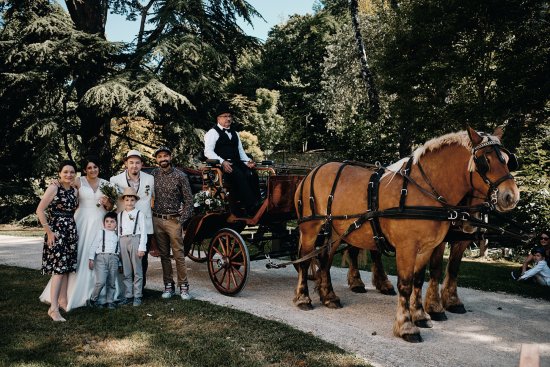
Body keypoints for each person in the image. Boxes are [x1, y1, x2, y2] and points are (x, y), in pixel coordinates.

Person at [40, 155, 122, 310]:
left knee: (100, 251)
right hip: (80, 221)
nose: (92, 170)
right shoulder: (79, 181)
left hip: (99, 220)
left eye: (95, 167)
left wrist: (107, 203)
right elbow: (64, 184)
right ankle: (68, 295)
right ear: (85, 170)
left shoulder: (106, 184)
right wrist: (55, 182)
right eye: (89, 167)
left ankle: (99, 293)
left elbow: (110, 207)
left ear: (98, 168)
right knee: (77, 254)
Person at [36, 160, 79, 321]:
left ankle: (62, 301)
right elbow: (40, 210)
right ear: (59, 173)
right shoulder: (54, 187)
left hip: (70, 231)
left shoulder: (74, 191)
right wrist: (49, 232)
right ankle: (53, 309)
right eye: (65, 172)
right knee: (59, 270)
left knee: (66, 268)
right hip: (57, 232)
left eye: (72, 172)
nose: (69, 175)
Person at [151, 146, 194, 300]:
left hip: (173, 220)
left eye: (165, 156)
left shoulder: (180, 176)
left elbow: (189, 200)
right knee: (164, 255)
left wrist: (181, 220)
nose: (163, 159)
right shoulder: (153, 175)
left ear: (170, 157)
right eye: (160, 156)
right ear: (156, 159)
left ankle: (184, 286)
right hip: (157, 218)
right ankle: (168, 285)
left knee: (179, 255)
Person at [204, 102, 261, 216]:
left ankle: (258, 203)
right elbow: (208, 152)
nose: (228, 119)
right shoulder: (212, 133)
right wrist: (222, 161)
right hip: (223, 166)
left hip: (237, 162)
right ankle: (250, 207)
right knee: (239, 174)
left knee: (252, 173)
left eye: (230, 116)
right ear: (218, 118)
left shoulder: (235, 133)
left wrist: (247, 162)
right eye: (225, 116)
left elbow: (241, 152)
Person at [110, 150, 154, 293]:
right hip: (124, 227)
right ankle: (125, 289)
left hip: (144, 224)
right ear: (126, 164)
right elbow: (110, 203)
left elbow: (154, 197)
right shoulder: (115, 180)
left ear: (142, 164)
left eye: (137, 162)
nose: (134, 166)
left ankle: (140, 289)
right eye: (131, 162)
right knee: (124, 259)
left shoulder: (150, 179)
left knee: (143, 258)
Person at [118, 187, 147, 306]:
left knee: (137, 270)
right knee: (126, 270)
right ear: (123, 201)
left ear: (135, 201)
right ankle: (128, 295)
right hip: (123, 241)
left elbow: (144, 231)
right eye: (127, 200)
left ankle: (137, 296)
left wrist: (142, 248)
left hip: (135, 239)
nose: (129, 202)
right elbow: (118, 232)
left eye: (132, 200)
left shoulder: (139, 214)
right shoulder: (119, 215)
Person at [87, 212, 120, 309]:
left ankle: (110, 301)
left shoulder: (117, 235)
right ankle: (93, 299)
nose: (109, 223)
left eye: (112, 222)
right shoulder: (101, 232)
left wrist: (120, 263)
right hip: (101, 258)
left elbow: (119, 250)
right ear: (104, 223)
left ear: (116, 224)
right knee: (100, 281)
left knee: (112, 281)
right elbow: (94, 245)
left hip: (114, 258)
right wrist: (91, 258)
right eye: (107, 221)